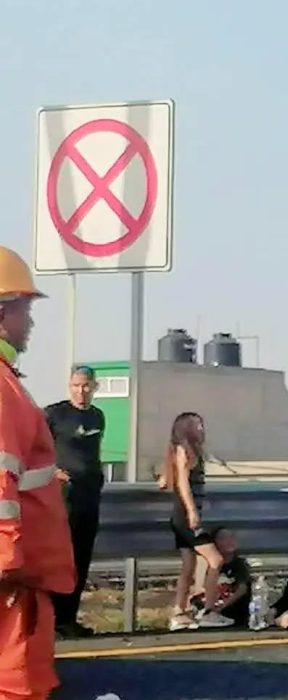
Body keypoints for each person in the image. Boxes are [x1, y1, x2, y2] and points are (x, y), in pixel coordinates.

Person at [0, 245, 76, 700]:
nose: (30, 321)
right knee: (15, 682)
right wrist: (7, 555)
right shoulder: (2, 387)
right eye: (25, 309)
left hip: (18, 568)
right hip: (14, 574)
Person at [43, 365, 105, 639]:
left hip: (89, 495)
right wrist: (51, 470)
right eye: (76, 386)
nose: (81, 391)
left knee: (81, 558)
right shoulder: (54, 414)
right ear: (69, 386)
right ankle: (50, 620)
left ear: (94, 387)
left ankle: (68, 619)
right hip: (63, 496)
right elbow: (34, 446)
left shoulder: (97, 416)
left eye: (86, 386)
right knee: (60, 558)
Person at [162, 412, 233, 630]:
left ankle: (179, 612)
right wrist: (192, 511)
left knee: (189, 566)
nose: (201, 429)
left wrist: (165, 479)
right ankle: (209, 611)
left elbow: (169, 479)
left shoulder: (187, 451)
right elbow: (183, 483)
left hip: (181, 515)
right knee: (215, 560)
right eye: (196, 425)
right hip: (186, 516)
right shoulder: (184, 450)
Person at [189, 527, 252, 627]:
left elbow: (242, 589)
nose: (229, 541)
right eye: (223, 538)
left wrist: (222, 607)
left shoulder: (239, 564)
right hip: (209, 616)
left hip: (234, 617)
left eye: (231, 537)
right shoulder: (209, 566)